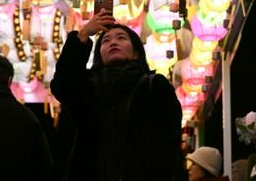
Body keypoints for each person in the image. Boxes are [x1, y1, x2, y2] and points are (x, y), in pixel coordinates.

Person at [51, 10, 183, 180]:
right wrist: (83, 35)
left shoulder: (155, 86)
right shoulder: (89, 87)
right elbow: (62, 85)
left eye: (121, 38)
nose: (113, 42)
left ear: (136, 52)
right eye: (105, 40)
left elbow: (170, 141)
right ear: (99, 54)